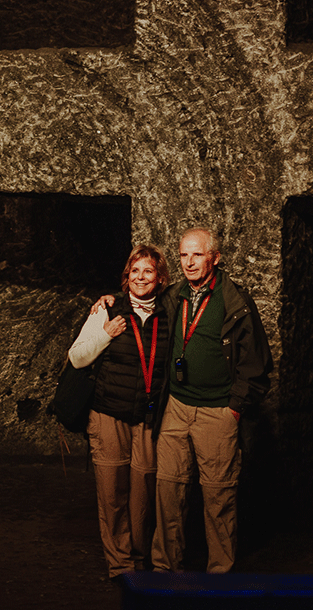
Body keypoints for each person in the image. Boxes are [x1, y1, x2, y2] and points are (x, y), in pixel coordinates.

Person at [96, 227, 272, 573]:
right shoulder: (173, 295)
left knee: (218, 496)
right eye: (184, 255)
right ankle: (165, 571)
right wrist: (108, 300)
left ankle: (220, 573)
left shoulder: (234, 300)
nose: (190, 262)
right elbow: (139, 295)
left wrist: (234, 408)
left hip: (218, 411)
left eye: (198, 255)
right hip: (175, 408)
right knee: (168, 493)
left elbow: (258, 362)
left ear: (215, 258)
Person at [68, 244, 174, 581]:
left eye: (148, 272)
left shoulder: (169, 314)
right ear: (126, 278)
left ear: (160, 279)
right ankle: (120, 564)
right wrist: (105, 334)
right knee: (112, 492)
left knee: (144, 492)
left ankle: (139, 560)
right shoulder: (108, 310)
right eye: (134, 272)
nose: (140, 278)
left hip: (147, 417)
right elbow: (77, 357)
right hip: (108, 414)